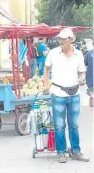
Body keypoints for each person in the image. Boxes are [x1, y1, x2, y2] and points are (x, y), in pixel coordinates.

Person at [43, 28, 89, 163]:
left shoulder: (79, 54)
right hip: (58, 93)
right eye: (60, 39)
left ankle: (76, 151)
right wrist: (46, 84)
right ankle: (61, 152)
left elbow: (81, 72)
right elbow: (46, 69)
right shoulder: (53, 53)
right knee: (59, 125)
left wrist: (82, 79)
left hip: (74, 93)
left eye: (64, 39)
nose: (61, 41)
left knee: (74, 125)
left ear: (71, 40)